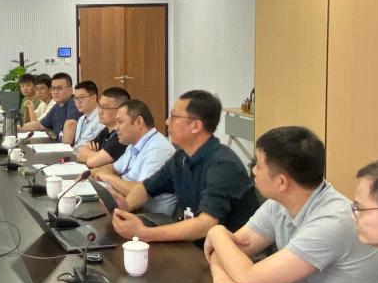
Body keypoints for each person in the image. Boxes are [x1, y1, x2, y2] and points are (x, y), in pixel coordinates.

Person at [203, 127, 378, 283]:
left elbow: (248, 280)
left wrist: (216, 231)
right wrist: (222, 279)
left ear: (281, 182)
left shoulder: (331, 222)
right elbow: (229, 251)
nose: (253, 171)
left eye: (258, 165)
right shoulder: (279, 204)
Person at [111, 90, 259, 244]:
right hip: (192, 244)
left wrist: (144, 233)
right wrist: (125, 208)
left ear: (196, 126)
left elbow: (206, 223)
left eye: (174, 116)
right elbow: (147, 188)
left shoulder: (223, 165)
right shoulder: (181, 157)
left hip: (226, 250)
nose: (167, 122)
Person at [92, 100, 176, 215]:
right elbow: (113, 168)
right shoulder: (133, 144)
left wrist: (109, 178)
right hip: (131, 207)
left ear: (139, 122)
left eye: (120, 122)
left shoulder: (158, 149)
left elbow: (142, 190)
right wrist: (98, 173)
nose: (116, 128)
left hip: (150, 216)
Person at [76, 86, 130, 167]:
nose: (100, 111)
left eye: (105, 107)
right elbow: (80, 153)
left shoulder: (122, 136)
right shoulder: (106, 130)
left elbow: (93, 162)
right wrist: (98, 155)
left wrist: (95, 156)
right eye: (99, 106)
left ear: (121, 110)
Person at [20, 72, 79, 144]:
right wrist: (16, 128)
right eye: (53, 88)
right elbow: (40, 125)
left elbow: (71, 124)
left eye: (60, 88)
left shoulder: (74, 103)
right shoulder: (57, 106)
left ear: (70, 90)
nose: (55, 92)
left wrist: (62, 146)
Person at [71, 80, 102, 149]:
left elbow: (92, 147)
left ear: (93, 97)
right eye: (75, 98)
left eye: (81, 97)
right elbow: (78, 144)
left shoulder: (101, 119)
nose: (78, 102)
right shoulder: (81, 119)